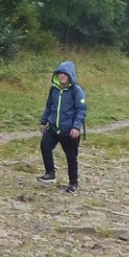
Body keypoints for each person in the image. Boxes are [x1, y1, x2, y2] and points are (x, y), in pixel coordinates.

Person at [38, 61, 86, 193]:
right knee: (45, 146)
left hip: (69, 130)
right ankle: (50, 173)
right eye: (60, 73)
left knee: (71, 157)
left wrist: (76, 127)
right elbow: (49, 106)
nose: (62, 76)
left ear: (70, 75)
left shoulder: (77, 91)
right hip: (53, 127)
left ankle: (73, 182)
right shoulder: (53, 89)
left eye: (65, 73)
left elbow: (81, 110)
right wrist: (43, 122)